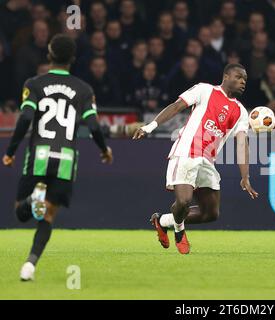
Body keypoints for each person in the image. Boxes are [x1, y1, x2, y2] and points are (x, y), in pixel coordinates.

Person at [2, 34, 113, 281]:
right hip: (65, 159)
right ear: (73, 59)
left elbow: (26, 118)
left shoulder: (34, 84)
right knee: (48, 215)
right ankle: (29, 266)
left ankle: (33, 197)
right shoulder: (84, 89)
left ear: (49, 55)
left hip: (39, 154)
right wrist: (104, 150)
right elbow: (94, 126)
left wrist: (10, 152)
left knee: (21, 213)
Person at [133, 63, 258, 255]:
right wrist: (149, 127)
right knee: (183, 201)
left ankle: (163, 220)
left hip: (208, 161)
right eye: (238, 77)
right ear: (226, 76)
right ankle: (179, 231)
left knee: (211, 213)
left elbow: (242, 143)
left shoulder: (241, 111)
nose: (242, 82)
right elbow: (176, 107)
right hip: (186, 152)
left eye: (245, 80)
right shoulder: (204, 90)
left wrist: (245, 176)